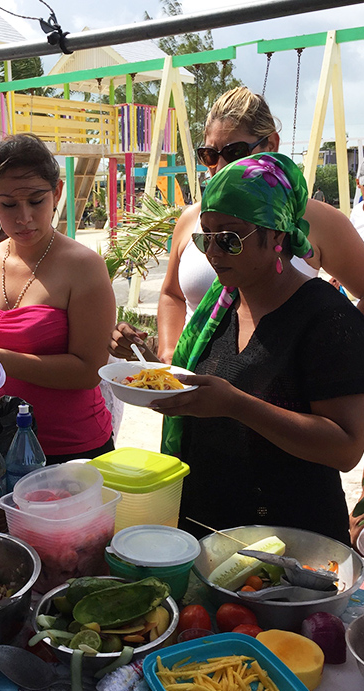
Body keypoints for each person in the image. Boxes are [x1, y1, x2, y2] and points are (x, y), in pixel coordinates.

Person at [148, 152, 364, 546]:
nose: (213, 252)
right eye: (206, 236)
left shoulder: (326, 319)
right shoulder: (218, 308)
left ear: (278, 235)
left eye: (229, 238)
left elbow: (346, 447)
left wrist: (236, 405)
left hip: (291, 546)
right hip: (209, 531)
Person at [110, 87, 364, 363]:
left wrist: (336, 349)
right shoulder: (192, 220)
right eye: (209, 155)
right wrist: (170, 355)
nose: (220, 166)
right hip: (192, 388)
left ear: (271, 145)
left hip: (279, 394)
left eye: (234, 151)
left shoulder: (315, 220)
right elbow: (172, 294)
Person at [0, 133, 116, 463]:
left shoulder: (83, 266)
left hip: (70, 449)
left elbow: (89, 371)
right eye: (8, 204)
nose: (23, 217)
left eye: (36, 201)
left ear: (57, 192)